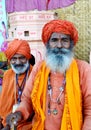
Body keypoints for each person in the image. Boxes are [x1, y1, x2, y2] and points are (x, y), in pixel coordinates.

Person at [4, 19, 91, 130]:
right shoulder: (39, 68)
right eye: (54, 40)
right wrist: (18, 114)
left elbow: (90, 111)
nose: (59, 45)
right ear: (48, 44)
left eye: (64, 40)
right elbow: (27, 100)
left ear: (71, 44)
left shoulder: (84, 69)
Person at [0, 39, 33, 130]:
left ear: (28, 57)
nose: (18, 62)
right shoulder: (7, 75)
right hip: (7, 124)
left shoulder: (35, 74)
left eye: (21, 58)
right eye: (14, 59)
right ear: (10, 60)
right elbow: (4, 104)